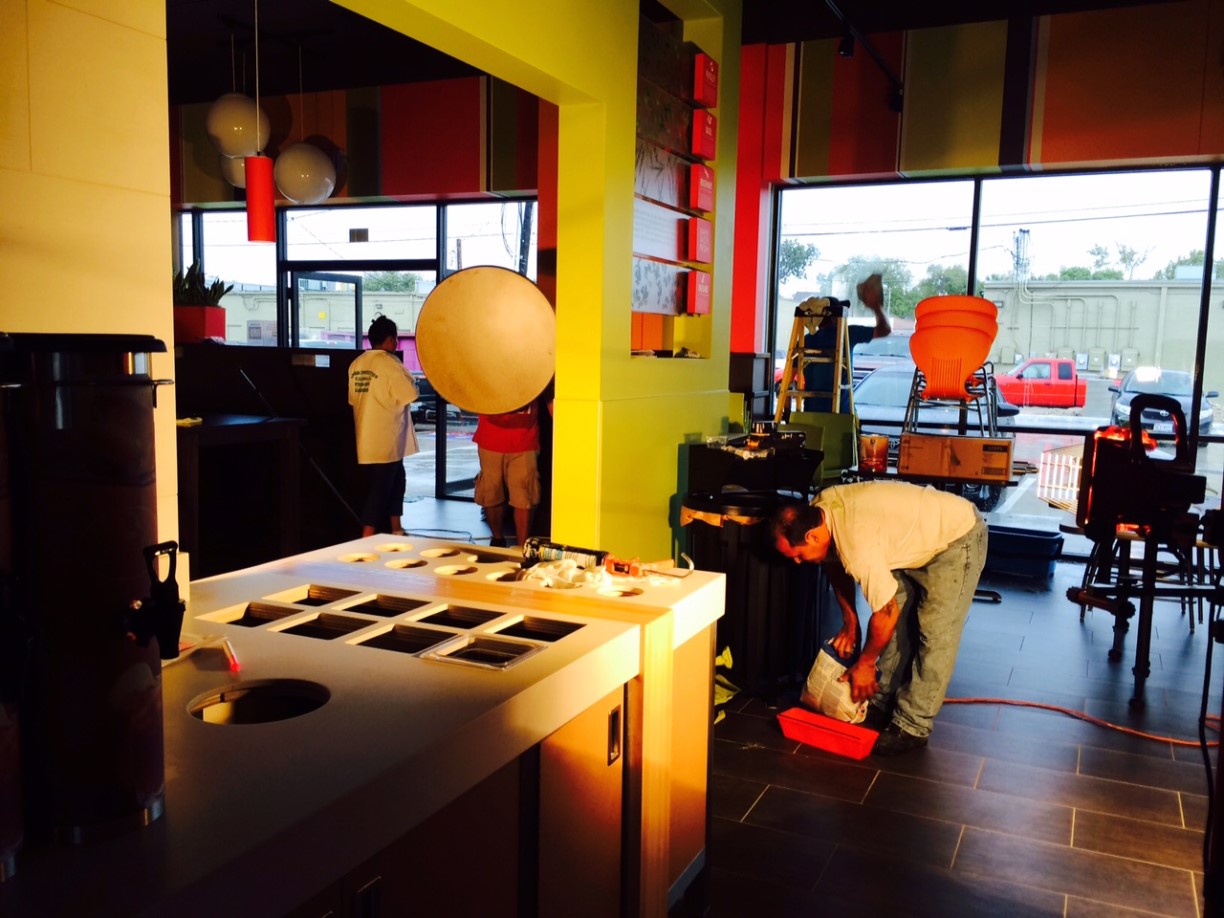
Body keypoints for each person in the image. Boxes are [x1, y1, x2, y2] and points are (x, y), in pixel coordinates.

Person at [770, 480, 987, 756]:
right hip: (910, 539)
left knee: (935, 635)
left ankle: (913, 725)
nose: (798, 562)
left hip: (956, 538)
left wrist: (865, 663)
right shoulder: (819, 510)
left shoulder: (856, 544)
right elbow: (832, 562)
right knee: (896, 630)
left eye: (799, 555)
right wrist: (850, 620)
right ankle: (881, 701)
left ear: (812, 537)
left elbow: (885, 613)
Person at [348, 315, 419, 538]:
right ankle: (366, 537)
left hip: (366, 434)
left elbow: (352, 400)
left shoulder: (357, 364)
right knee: (381, 489)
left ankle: (396, 528)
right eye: (395, 338)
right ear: (389, 339)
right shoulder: (389, 363)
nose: (396, 342)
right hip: (387, 436)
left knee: (396, 480)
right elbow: (410, 394)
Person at [801, 272, 890, 412]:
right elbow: (885, 329)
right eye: (840, 313)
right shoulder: (847, 334)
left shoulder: (806, 340)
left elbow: (789, 379)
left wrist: (787, 412)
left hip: (810, 413)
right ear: (833, 317)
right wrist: (875, 306)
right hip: (842, 414)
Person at [473, 400, 545, 547]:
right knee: (491, 492)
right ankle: (497, 540)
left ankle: (522, 548)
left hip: (525, 438)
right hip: (490, 438)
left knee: (524, 495)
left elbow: (550, 396)